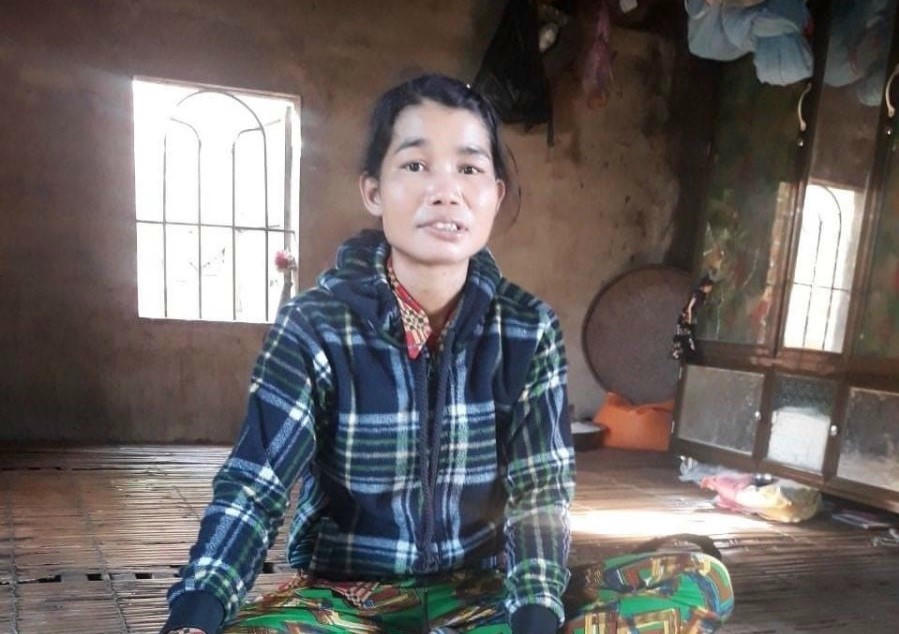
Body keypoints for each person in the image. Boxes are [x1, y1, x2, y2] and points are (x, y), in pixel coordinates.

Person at [161, 74, 733, 634]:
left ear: (495, 195)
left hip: (482, 597)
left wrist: (535, 617)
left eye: (469, 168)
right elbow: (254, 488)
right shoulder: (314, 327)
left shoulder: (527, 330)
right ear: (373, 191)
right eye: (415, 165)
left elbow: (540, 495)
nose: (445, 190)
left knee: (699, 580)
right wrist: (195, 616)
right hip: (349, 602)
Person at [671, 274, 715, 363]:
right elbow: (690, 307)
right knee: (685, 337)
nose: (710, 290)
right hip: (685, 318)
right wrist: (689, 319)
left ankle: (687, 355)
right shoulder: (697, 293)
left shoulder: (703, 295)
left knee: (689, 337)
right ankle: (677, 353)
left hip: (691, 319)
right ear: (705, 286)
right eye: (709, 288)